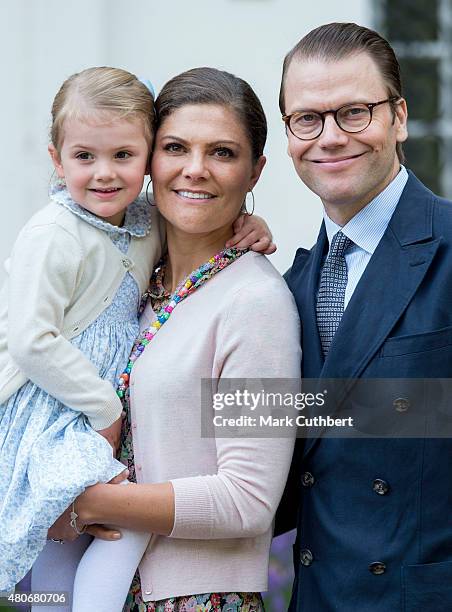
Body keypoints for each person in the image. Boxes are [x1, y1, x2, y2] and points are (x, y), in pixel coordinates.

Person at [0, 66, 273, 607]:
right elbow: (32, 339)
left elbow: (250, 499)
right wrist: (104, 411)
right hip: (56, 407)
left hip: (178, 560)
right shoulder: (62, 235)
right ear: (57, 159)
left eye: (123, 156)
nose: (104, 173)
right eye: (85, 157)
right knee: (58, 565)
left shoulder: (156, 233)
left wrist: (251, 224)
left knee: (107, 531)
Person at [277, 21, 452, 611]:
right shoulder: (285, 288)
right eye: (308, 118)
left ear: (398, 117)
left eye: (354, 112)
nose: (330, 137)